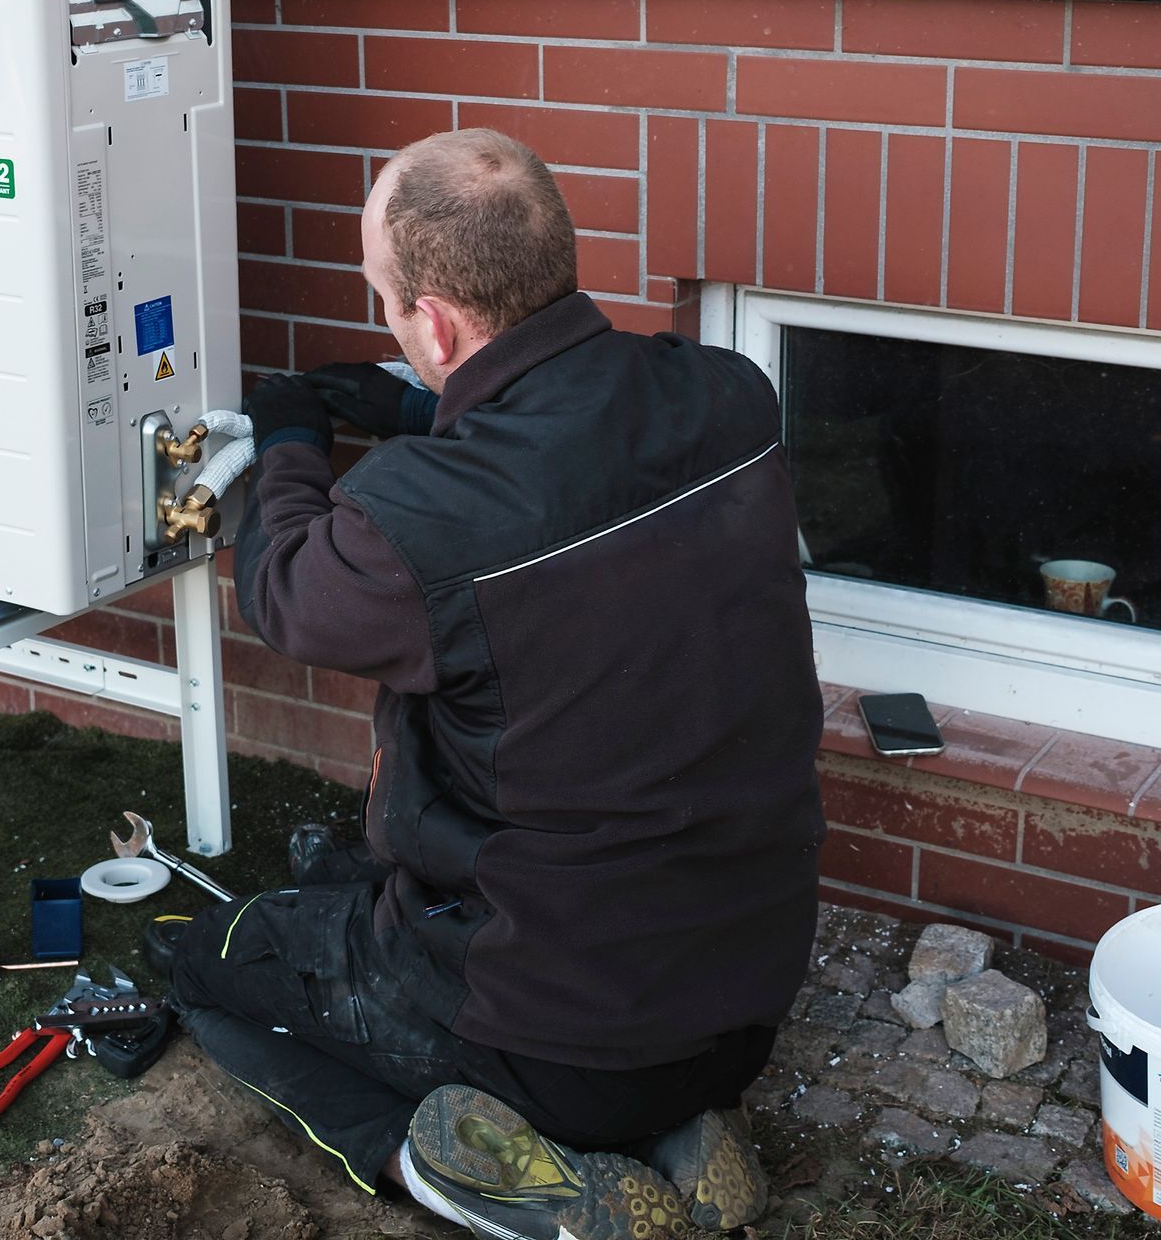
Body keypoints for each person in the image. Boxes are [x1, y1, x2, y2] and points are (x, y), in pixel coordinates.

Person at [169, 128, 825, 1240]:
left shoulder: (416, 526)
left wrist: (291, 432)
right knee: (348, 872)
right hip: (745, 999)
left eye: (385, 301)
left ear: (432, 323)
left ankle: (475, 1180)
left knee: (206, 961)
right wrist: (421, 402)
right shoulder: (727, 396)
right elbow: (561, 441)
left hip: (557, 1031)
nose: (389, 323)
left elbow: (285, 589)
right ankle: (675, 1131)